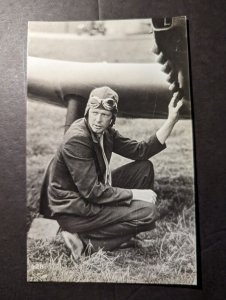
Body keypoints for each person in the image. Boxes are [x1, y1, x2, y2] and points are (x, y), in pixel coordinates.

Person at [46, 86, 183, 260]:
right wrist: (135, 194)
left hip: (91, 194)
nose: (98, 120)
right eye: (94, 113)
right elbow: (92, 192)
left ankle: (113, 234)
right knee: (148, 212)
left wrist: (171, 120)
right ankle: (84, 241)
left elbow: (140, 151)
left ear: (112, 118)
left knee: (144, 169)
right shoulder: (77, 139)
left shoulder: (106, 132)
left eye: (104, 115)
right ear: (87, 111)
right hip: (74, 209)